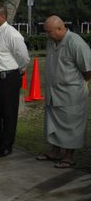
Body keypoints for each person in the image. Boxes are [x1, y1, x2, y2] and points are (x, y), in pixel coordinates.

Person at [36, 15, 91, 168]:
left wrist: (80, 83)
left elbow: (88, 69)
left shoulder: (75, 43)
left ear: (60, 29)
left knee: (71, 125)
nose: (47, 35)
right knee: (53, 123)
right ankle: (55, 151)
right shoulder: (51, 42)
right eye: (46, 32)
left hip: (72, 94)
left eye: (49, 32)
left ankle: (68, 156)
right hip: (54, 93)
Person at [0, 4, 30, 158]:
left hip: (8, 77)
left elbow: (24, 57)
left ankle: (6, 145)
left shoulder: (12, 34)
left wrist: (18, 69)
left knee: (8, 113)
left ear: (3, 17)